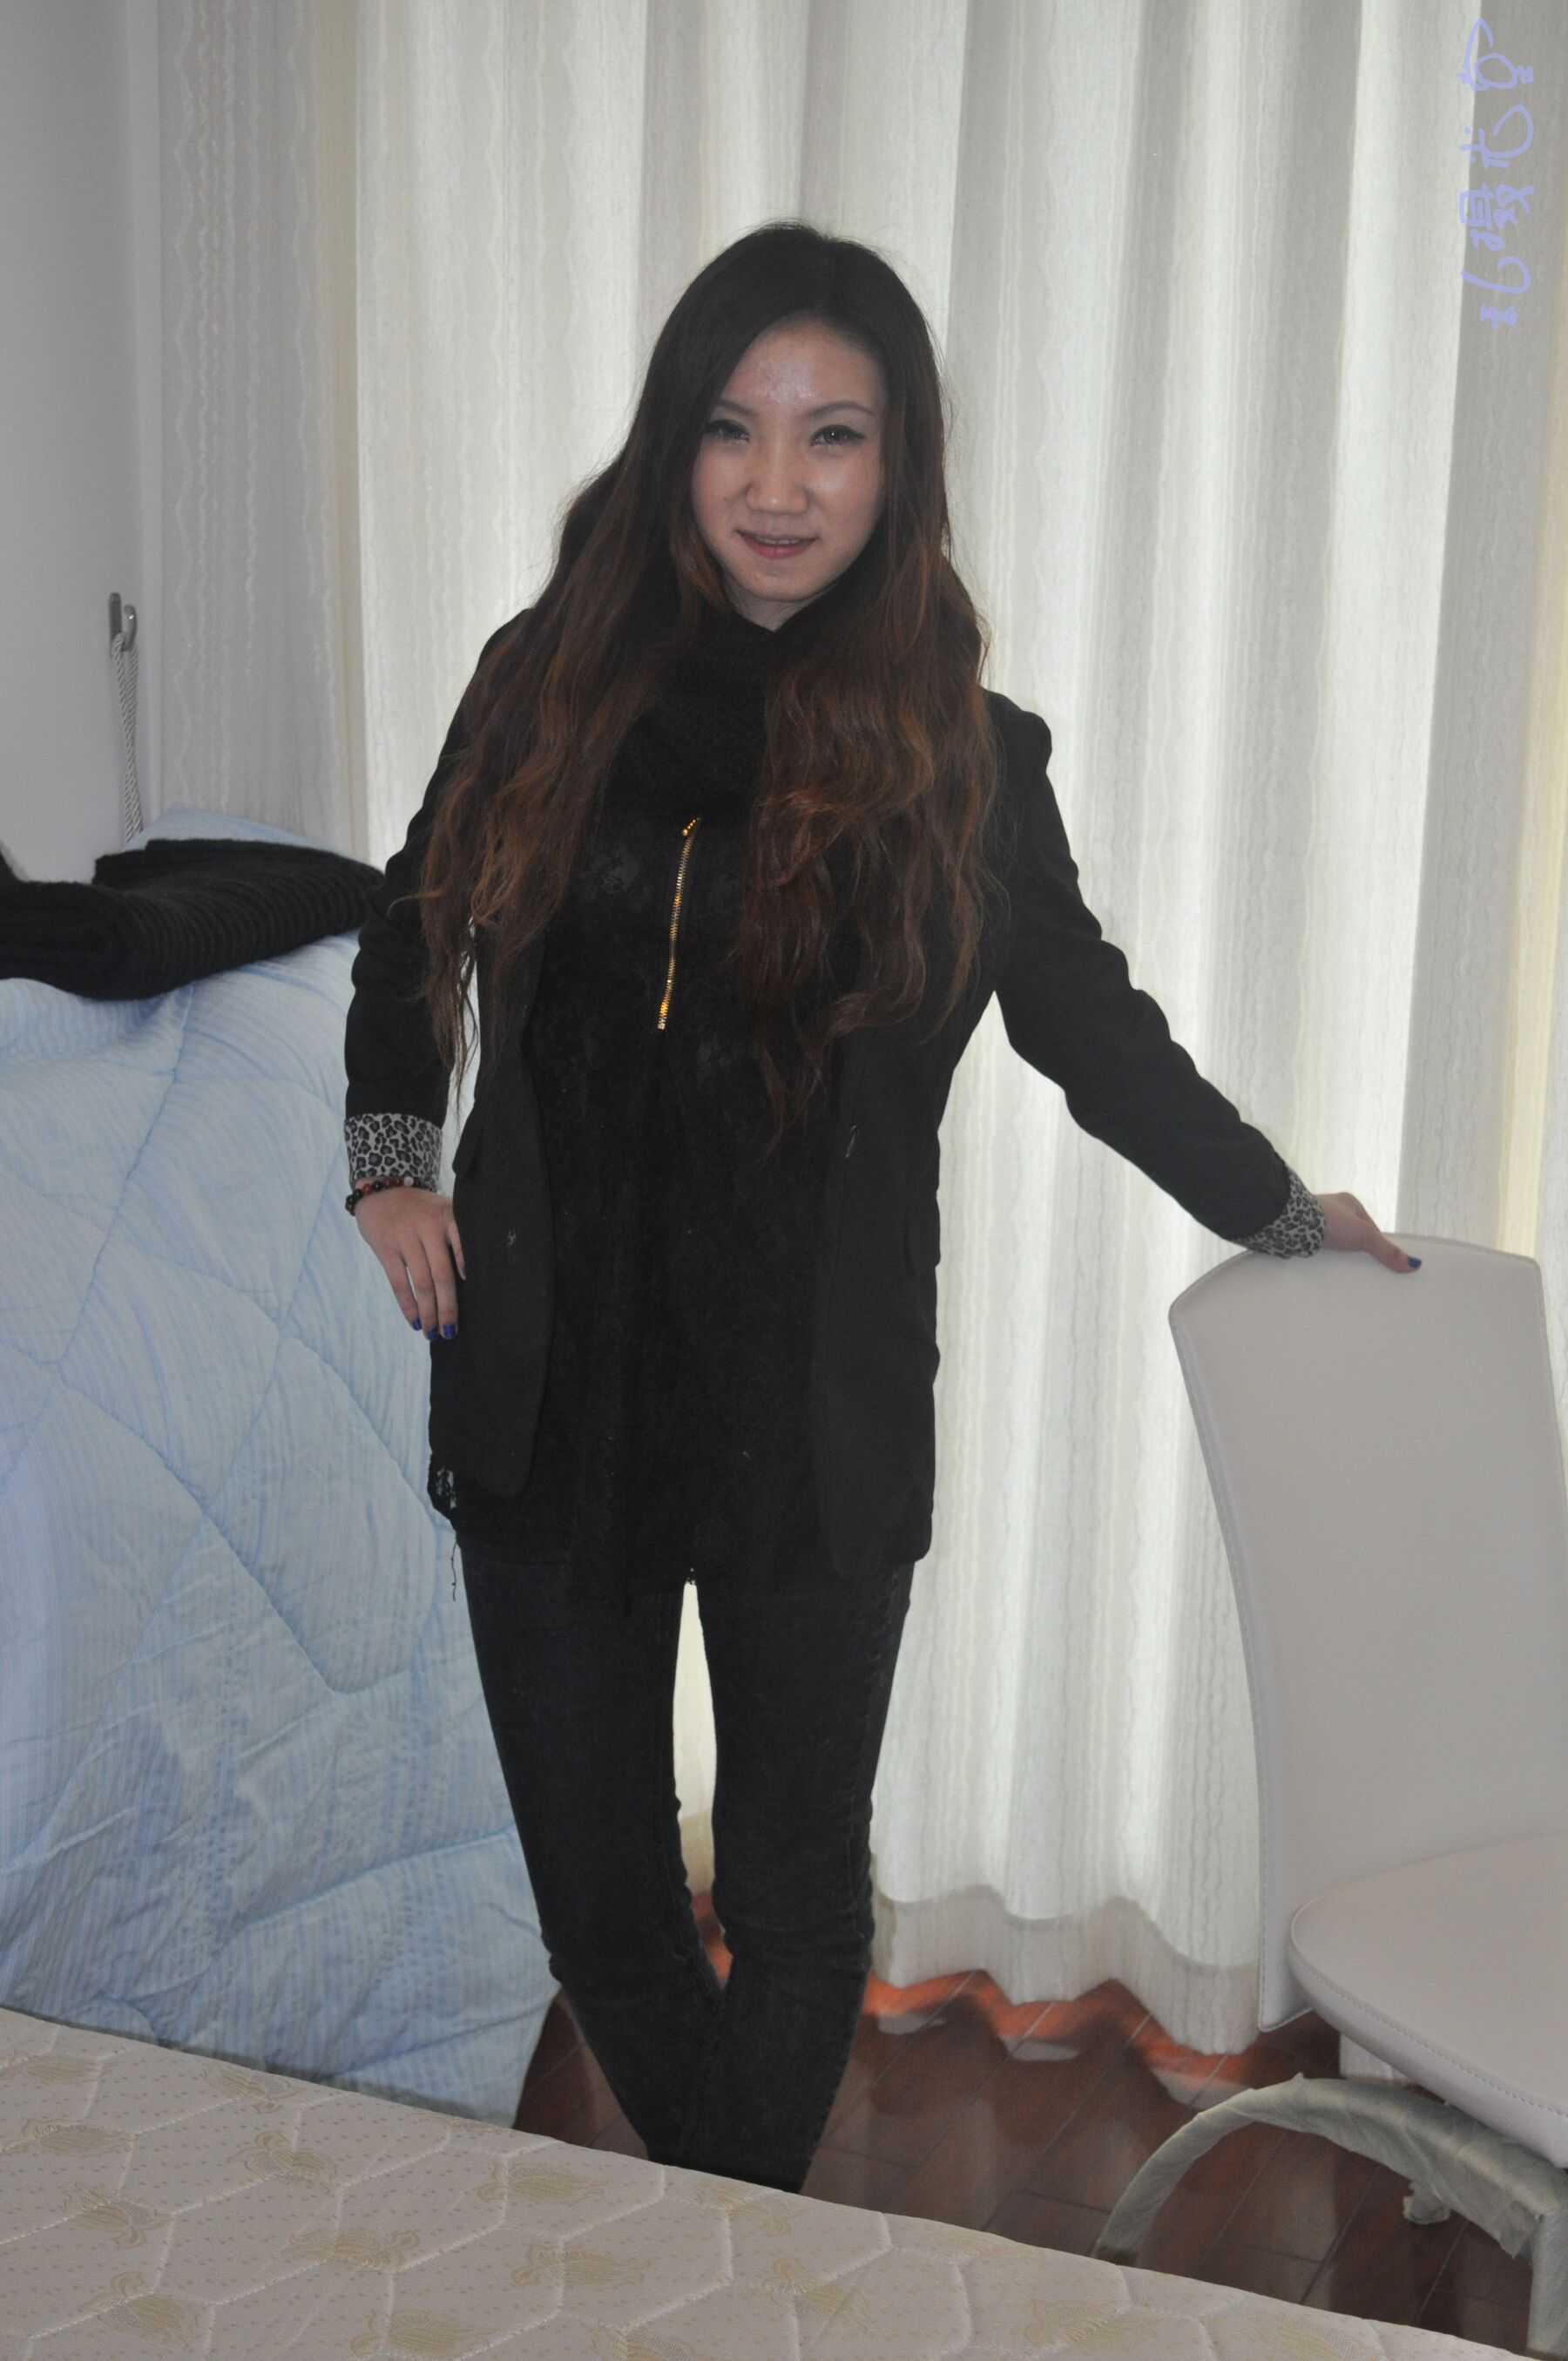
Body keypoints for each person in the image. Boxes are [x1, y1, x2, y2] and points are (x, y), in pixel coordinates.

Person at [341, 221, 1418, 2197]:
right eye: (734, 428)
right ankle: (740, 2240)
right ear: (675, 442)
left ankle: (718, 2248)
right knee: (599, 1896)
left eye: (832, 435)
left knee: (791, 1893)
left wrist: (1278, 1205)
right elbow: (415, 919)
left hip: (808, 1418)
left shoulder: (959, 758)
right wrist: (392, 1154)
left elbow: (1092, 1030)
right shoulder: (543, 684)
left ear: (896, 461)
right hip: (551, 1383)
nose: (778, 482)